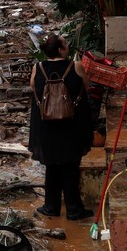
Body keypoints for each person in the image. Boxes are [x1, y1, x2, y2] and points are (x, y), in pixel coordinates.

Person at [28, 34, 94, 220]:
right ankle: (74, 209)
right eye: (65, 44)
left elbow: (33, 88)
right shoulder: (76, 66)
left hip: (47, 127)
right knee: (71, 166)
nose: (68, 45)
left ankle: (51, 207)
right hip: (71, 125)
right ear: (60, 50)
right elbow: (86, 88)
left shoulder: (38, 68)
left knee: (52, 167)